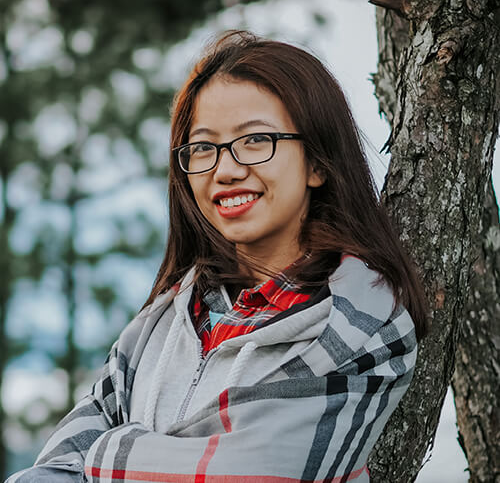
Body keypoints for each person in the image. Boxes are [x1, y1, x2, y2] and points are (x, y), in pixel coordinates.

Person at [7, 30, 429, 483]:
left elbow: (251, 474)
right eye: (204, 147)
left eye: (256, 140)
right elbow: (50, 471)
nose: (225, 170)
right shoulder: (156, 324)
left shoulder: (362, 323)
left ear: (317, 162)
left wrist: (108, 451)